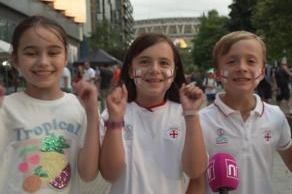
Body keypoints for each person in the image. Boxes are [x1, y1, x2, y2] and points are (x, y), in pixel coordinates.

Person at [197, 31, 292, 194]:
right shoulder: (202, 120)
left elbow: (291, 159)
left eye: (251, 61)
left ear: (262, 72)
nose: (242, 68)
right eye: (232, 61)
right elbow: (195, 175)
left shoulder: (275, 116)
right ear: (218, 73)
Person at [0, 16, 100, 194]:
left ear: (65, 56)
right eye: (31, 53)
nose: (43, 62)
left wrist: (93, 113)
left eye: (53, 53)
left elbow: (88, 174)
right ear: (15, 60)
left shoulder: (79, 108)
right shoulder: (6, 107)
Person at [99, 33, 208, 194]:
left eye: (164, 63)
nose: (154, 70)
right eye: (144, 62)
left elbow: (195, 171)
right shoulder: (111, 114)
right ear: (130, 70)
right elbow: (110, 174)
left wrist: (191, 115)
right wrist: (115, 120)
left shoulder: (185, 115)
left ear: (174, 71)